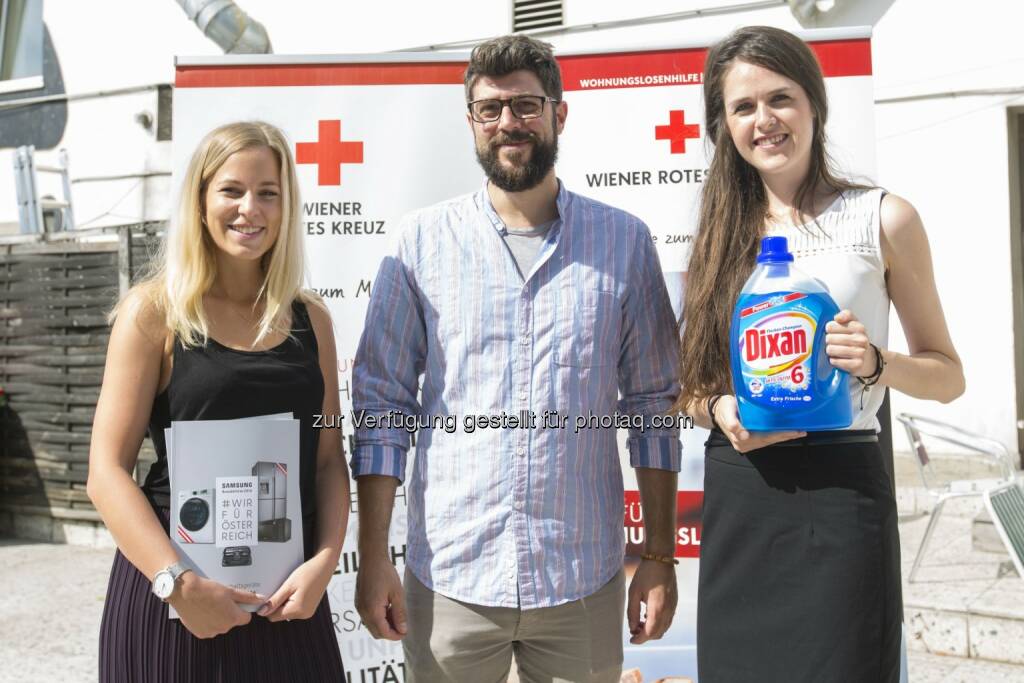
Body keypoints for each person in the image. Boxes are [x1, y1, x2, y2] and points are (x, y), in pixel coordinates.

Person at [352, 35, 682, 682]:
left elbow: (654, 406)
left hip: (580, 579)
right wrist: (373, 556)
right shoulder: (420, 244)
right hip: (450, 575)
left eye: (527, 105)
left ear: (560, 114)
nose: (509, 122)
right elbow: (383, 408)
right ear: (470, 123)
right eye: (490, 109)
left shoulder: (624, 243)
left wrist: (661, 554)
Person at [679, 26, 965, 683]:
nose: (764, 120)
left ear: (815, 104)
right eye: (742, 107)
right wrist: (719, 407)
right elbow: (686, 388)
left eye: (780, 98)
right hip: (742, 496)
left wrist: (876, 363)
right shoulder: (717, 235)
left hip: (840, 494)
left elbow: (949, 376)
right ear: (722, 125)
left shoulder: (883, 218)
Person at [87, 121, 348, 681]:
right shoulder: (153, 314)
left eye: (268, 192)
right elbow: (106, 473)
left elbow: (328, 459)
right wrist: (176, 584)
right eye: (231, 190)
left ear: (286, 206)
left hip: (288, 599)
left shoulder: (313, 321)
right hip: (177, 600)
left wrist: (325, 564)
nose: (249, 208)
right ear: (201, 201)